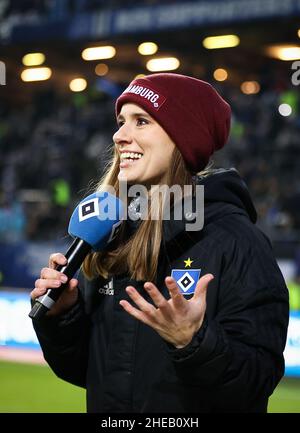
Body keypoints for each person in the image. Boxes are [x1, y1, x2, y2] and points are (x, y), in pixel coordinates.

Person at [31, 73, 289, 413]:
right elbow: (92, 373)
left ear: (183, 138)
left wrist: (193, 343)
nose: (119, 135)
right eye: (121, 122)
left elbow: (256, 382)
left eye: (141, 122)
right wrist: (64, 318)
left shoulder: (239, 241)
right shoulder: (114, 233)